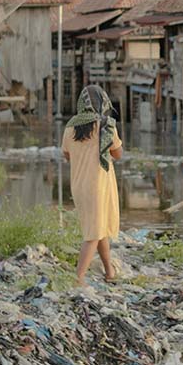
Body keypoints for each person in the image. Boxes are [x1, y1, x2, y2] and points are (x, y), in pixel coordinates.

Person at [62, 85, 123, 283]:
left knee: (99, 227)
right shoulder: (106, 125)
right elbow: (118, 154)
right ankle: (78, 278)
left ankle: (109, 272)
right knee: (93, 234)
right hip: (98, 186)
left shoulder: (70, 126)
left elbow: (67, 155)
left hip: (79, 186)